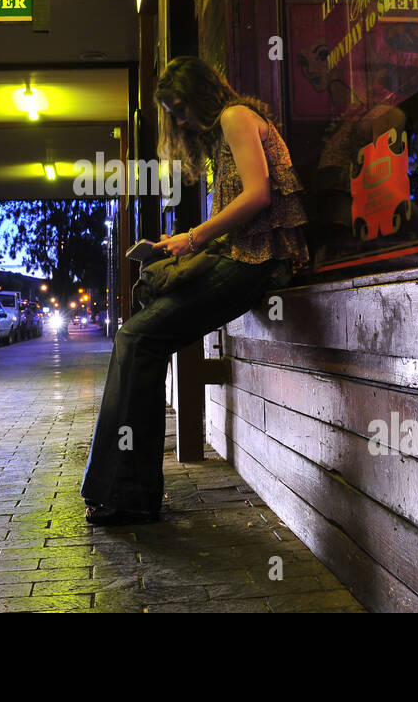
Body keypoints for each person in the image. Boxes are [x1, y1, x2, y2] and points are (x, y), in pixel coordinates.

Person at [80, 55, 310, 525]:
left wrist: (195, 237)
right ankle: (128, 490)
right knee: (139, 339)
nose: (179, 119)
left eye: (180, 106)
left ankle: (128, 493)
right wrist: (180, 242)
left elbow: (258, 194)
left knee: (138, 338)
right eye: (172, 110)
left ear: (203, 91)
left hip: (257, 263)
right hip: (242, 257)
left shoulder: (235, 116)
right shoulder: (221, 132)